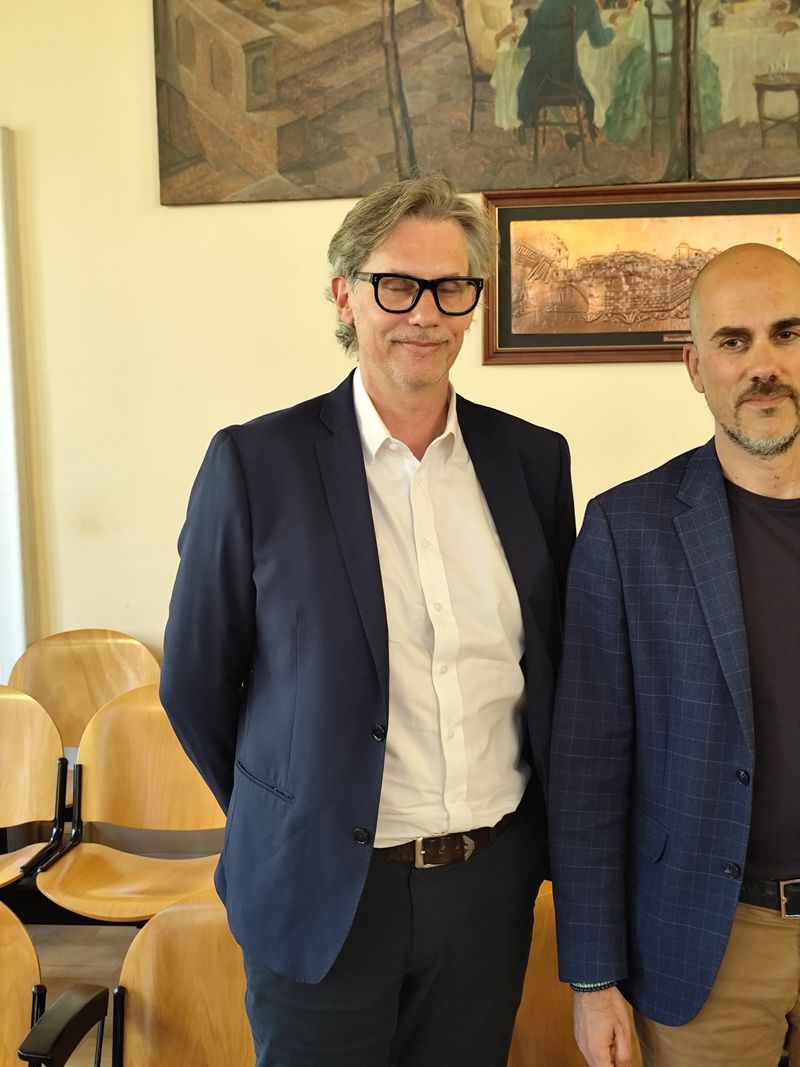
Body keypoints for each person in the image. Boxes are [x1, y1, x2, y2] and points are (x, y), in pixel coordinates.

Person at [160, 174, 576, 1067]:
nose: (425, 312)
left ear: (474, 302)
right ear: (345, 295)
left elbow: (550, 669)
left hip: (486, 889)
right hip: (322, 892)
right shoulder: (255, 463)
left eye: (451, 286)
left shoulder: (534, 462)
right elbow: (195, 682)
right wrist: (295, 807)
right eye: (396, 284)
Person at [549, 241, 800, 1067]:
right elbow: (587, 775)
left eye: (787, 333)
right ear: (696, 366)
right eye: (733, 341)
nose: (763, 365)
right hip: (710, 944)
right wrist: (593, 978)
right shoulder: (628, 531)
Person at [516, 0, 614, 138]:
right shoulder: (588, 5)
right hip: (568, 82)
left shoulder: (546, 4)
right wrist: (612, 29)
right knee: (597, 72)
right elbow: (598, 41)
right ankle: (592, 125)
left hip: (539, 82)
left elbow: (522, 43)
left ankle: (568, 130)